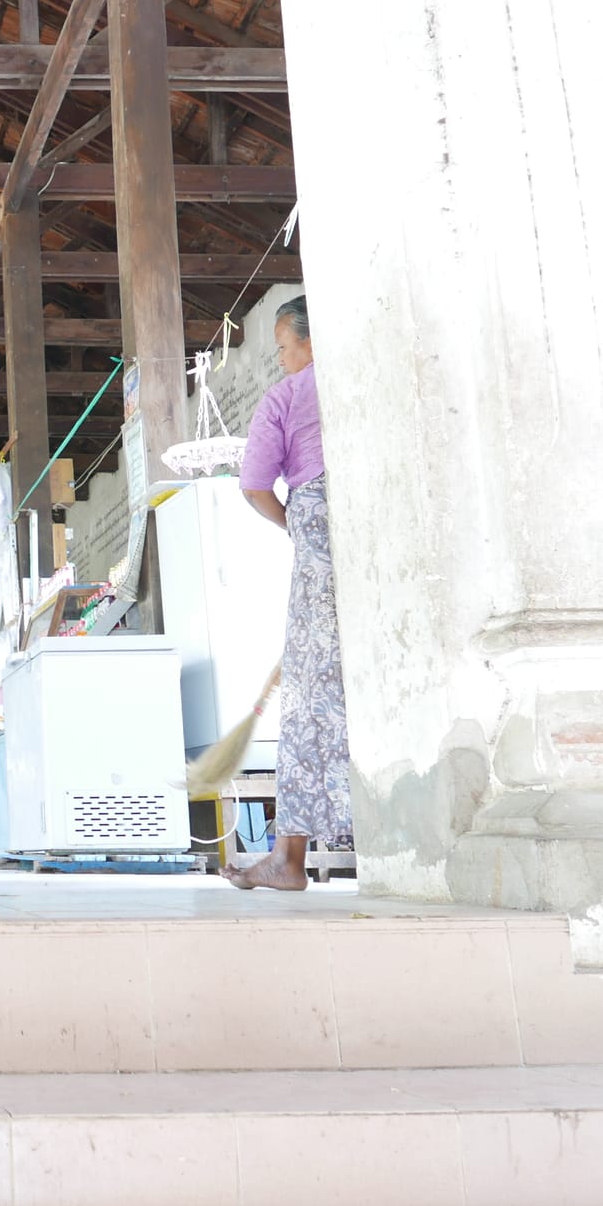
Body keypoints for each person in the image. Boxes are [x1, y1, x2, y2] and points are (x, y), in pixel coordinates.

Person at [224, 294, 352, 890]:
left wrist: (295, 525)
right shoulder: (365, 378)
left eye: (283, 346)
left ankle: (288, 858)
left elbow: (254, 486)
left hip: (320, 528)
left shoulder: (287, 397)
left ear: (311, 342)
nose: (279, 360)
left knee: (310, 691)